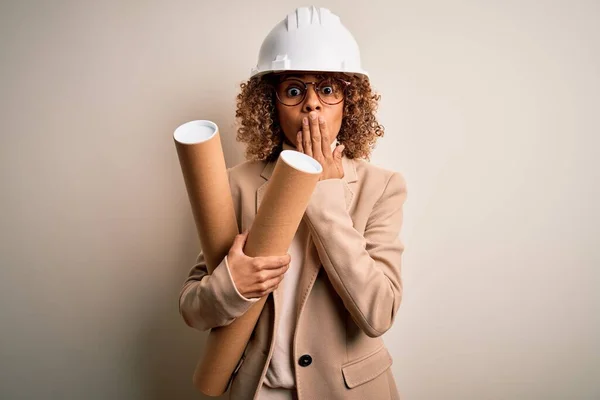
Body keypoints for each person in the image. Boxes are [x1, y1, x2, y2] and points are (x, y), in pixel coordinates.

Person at [179, 6, 407, 400]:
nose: (312, 104)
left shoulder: (382, 187)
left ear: (348, 103)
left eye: (328, 89)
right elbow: (192, 309)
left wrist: (323, 193)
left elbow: (378, 313)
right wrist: (232, 287)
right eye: (295, 89)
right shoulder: (235, 184)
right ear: (271, 103)